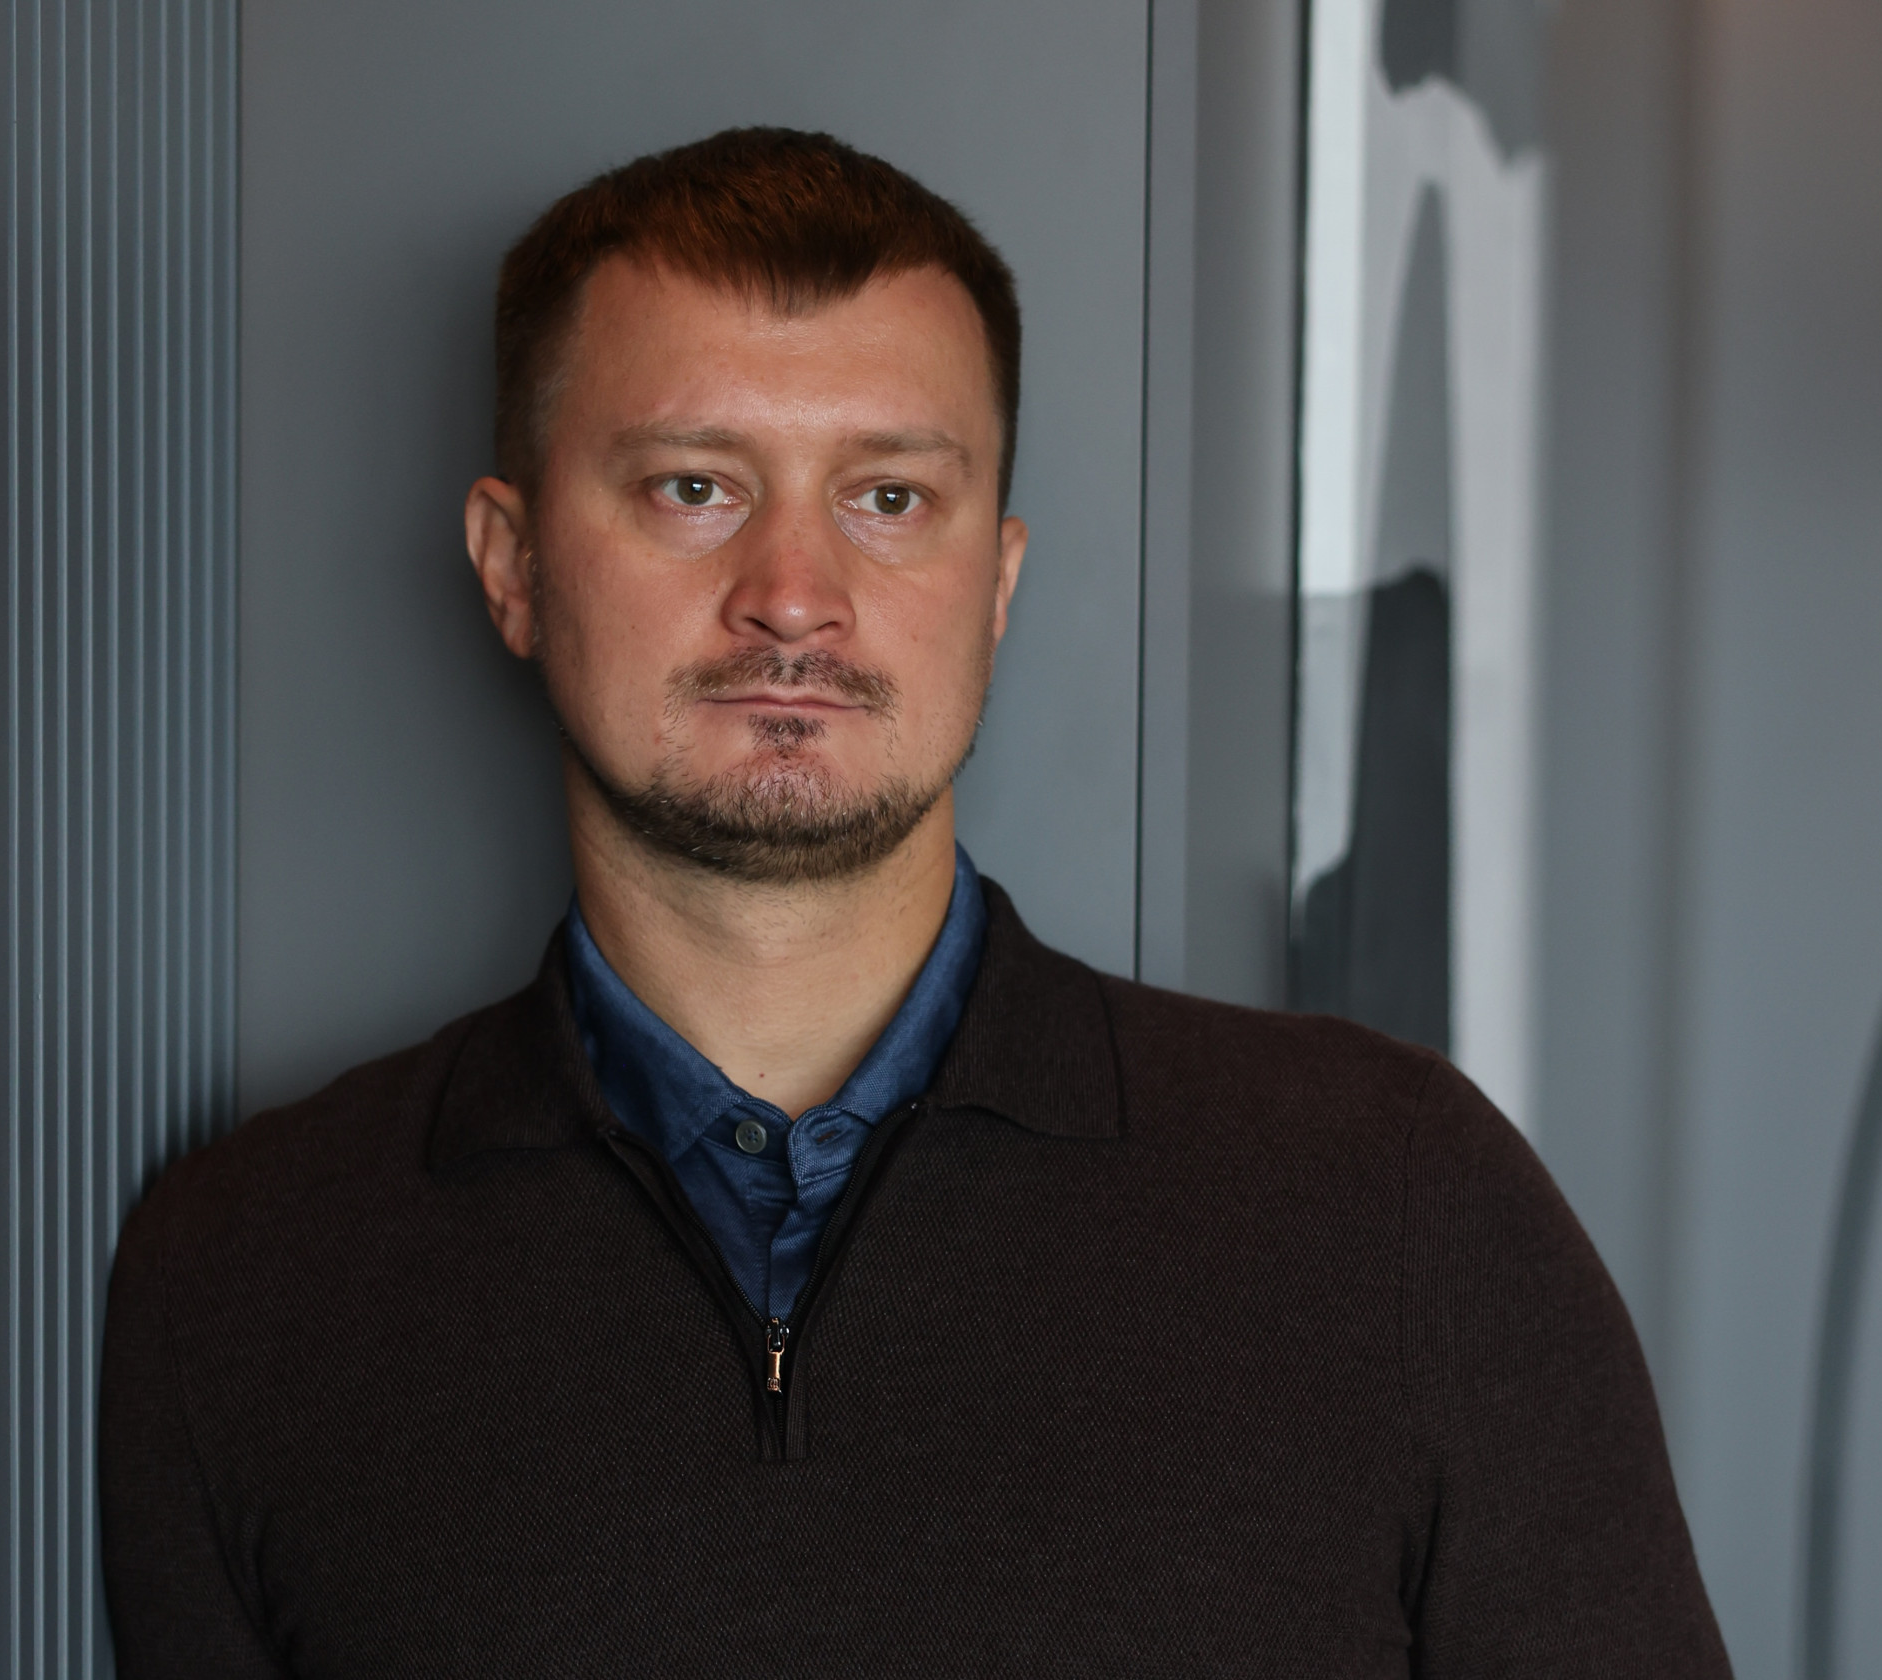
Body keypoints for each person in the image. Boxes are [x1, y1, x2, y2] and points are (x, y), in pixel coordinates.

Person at [99, 127, 1730, 1678]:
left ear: (995, 586)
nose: (793, 598)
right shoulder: (246, 1280)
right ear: (511, 564)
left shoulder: (1401, 1210)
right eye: (693, 487)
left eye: (888, 498)